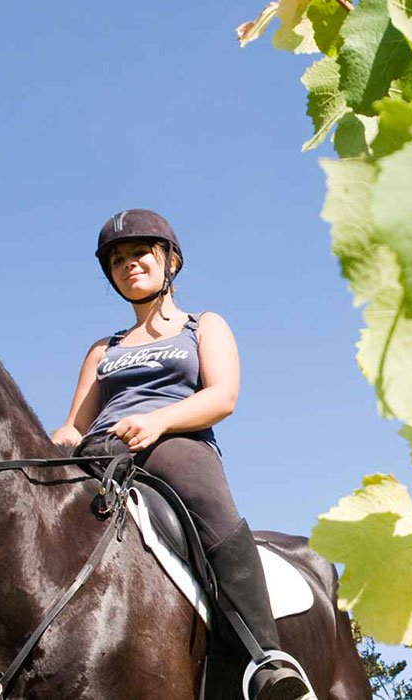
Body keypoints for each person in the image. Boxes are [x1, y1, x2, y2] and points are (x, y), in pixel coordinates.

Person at [52, 209, 315, 700]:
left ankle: (267, 659)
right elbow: (74, 425)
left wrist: (158, 422)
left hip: (175, 442)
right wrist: (49, 445)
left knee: (211, 507)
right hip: (104, 450)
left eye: (139, 254)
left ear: (169, 260)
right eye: (117, 260)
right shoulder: (102, 349)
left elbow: (223, 396)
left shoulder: (202, 326)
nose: (128, 265)